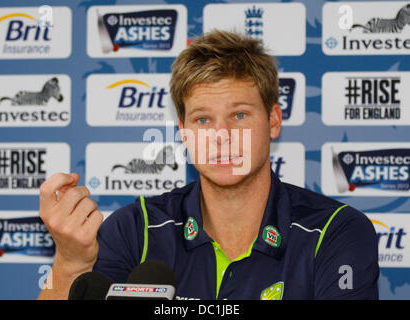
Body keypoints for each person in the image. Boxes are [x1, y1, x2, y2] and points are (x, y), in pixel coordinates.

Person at [38, 30, 379, 300]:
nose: (222, 136)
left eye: (240, 115)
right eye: (203, 120)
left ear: (274, 120)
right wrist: (71, 262)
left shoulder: (336, 231)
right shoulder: (135, 229)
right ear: (184, 133)